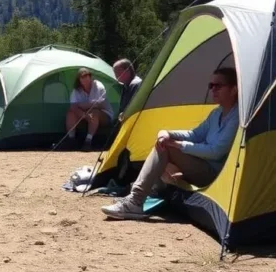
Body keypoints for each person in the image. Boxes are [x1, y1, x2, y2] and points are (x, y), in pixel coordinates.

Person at [101, 67, 240, 220]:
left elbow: (216, 152)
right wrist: (167, 133)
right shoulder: (216, 113)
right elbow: (194, 134)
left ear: (234, 90)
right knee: (163, 143)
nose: (213, 90)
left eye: (218, 86)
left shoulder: (237, 117)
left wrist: (179, 145)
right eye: (211, 86)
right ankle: (143, 195)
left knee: (167, 148)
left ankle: (136, 200)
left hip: (215, 174)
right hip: (201, 164)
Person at [65, 67, 114, 150]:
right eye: (82, 77)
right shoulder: (76, 90)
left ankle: (88, 141)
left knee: (93, 112)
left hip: (104, 115)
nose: (85, 79)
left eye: (87, 76)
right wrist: (83, 115)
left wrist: (81, 105)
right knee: (70, 113)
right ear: (79, 80)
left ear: (90, 77)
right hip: (85, 115)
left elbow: (100, 104)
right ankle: (71, 140)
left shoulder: (98, 86)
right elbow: (73, 107)